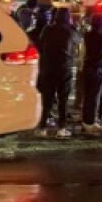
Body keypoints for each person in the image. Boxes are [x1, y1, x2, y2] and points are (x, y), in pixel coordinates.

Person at [36, 8, 81, 138]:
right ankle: (61, 128)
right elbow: (78, 39)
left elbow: (40, 42)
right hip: (64, 68)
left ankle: (42, 127)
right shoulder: (70, 31)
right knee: (63, 99)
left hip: (49, 67)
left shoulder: (47, 29)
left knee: (47, 99)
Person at [80, 12, 102, 134]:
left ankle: (85, 121)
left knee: (87, 96)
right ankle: (91, 122)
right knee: (94, 97)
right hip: (98, 69)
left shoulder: (87, 35)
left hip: (87, 67)